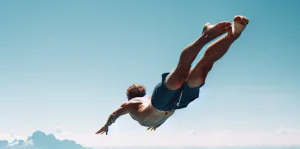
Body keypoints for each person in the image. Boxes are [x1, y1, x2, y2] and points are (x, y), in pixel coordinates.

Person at [96, 15, 249, 135]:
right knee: (196, 71)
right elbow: (117, 115)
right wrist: (158, 124)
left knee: (192, 71)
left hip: (167, 103)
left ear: (130, 96)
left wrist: (106, 125)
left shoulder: (132, 104)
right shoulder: (143, 102)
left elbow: (114, 114)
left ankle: (210, 36)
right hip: (176, 104)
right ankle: (231, 35)